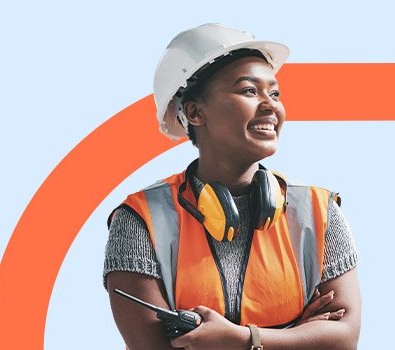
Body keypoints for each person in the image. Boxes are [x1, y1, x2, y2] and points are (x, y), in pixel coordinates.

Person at [104, 23, 361, 349]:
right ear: (195, 112)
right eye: (249, 91)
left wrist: (240, 339)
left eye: (275, 93)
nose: (271, 105)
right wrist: (296, 335)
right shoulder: (140, 221)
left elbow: (343, 340)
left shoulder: (318, 213)